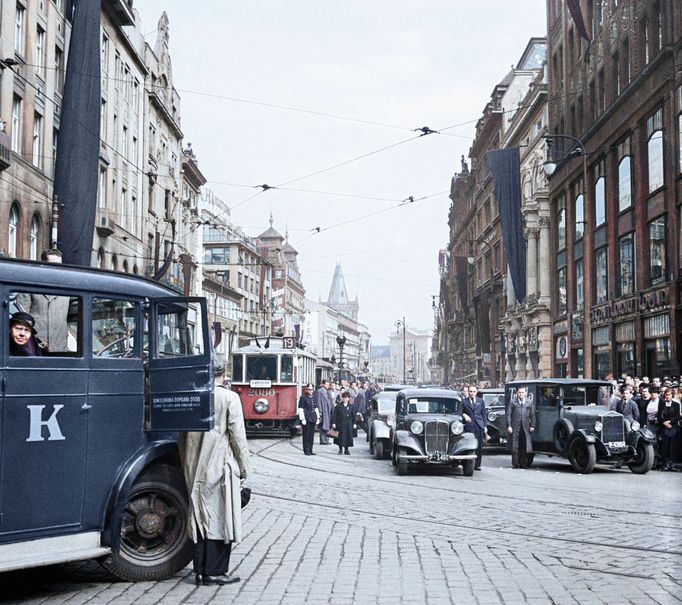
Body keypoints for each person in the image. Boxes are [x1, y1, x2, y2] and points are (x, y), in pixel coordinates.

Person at [178, 354, 251, 587]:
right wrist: (244, 467)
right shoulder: (229, 398)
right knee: (221, 517)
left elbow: (182, 436)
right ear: (224, 372)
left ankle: (198, 570)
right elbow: (238, 437)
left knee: (199, 515)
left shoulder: (192, 395)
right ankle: (214, 571)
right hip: (219, 465)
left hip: (193, 463)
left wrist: (186, 462)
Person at [506, 386, 536, 469]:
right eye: (519, 392)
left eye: (522, 392)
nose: (521, 394)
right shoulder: (512, 402)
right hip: (515, 426)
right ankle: (515, 463)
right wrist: (509, 426)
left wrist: (533, 425)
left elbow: (532, 415)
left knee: (524, 445)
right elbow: (508, 415)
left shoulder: (529, 402)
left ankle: (523, 463)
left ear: (525, 394)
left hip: (525, 426)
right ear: (517, 393)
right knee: (515, 444)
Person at [462, 385, 487, 471]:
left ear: (476, 392)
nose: (472, 393)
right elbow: (460, 412)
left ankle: (477, 465)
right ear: (468, 392)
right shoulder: (464, 401)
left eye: (474, 391)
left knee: (479, 445)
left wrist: (485, 426)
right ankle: (469, 464)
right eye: (470, 391)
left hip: (479, 425)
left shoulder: (481, 401)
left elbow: (484, 414)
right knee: (469, 445)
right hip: (469, 426)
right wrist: (464, 415)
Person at [657, 388, 681, 471]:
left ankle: (672, 464)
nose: (668, 396)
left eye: (669, 395)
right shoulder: (661, 404)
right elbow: (659, 416)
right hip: (664, 428)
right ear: (664, 395)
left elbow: (678, 416)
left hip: (673, 427)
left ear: (672, 395)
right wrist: (664, 422)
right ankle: (665, 464)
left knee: (673, 446)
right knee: (664, 446)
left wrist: (670, 421)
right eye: (666, 395)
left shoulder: (676, 404)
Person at [298, 383, 319, 455]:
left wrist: (318, 418)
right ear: (306, 390)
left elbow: (316, 408)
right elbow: (301, 409)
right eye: (309, 389)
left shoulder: (314, 398)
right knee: (306, 435)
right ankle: (306, 450)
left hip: (313, 418)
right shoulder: (303, 398)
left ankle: (310, 449)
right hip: (306, 418)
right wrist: (302, 419)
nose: (310, 391)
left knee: (311, 435)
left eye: (311, 389)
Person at [332, 390, 355, 455]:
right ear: (342, 398)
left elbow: (353, 415)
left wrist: (355, 423)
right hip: (340, 424)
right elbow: (335, 415)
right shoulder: (338, 406)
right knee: (340, 437)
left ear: (348, 398)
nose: (345, 399)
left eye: (346, 398)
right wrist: (334, 423)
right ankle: (340, 450)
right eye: (344, 397)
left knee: (348, 437)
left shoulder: (351, 406)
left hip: (348, 424)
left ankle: (346, 450)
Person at [314, 380, 335, 444]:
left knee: (328, 426)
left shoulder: (328, 391)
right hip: (324, 411)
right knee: (323, 426)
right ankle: (323, 440)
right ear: (323, 384)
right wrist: (320, 411)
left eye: (328, 384)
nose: (328, 385)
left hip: (329, 411)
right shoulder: (320, 392)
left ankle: (326, 440)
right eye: (326, 384)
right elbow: (318, 402)